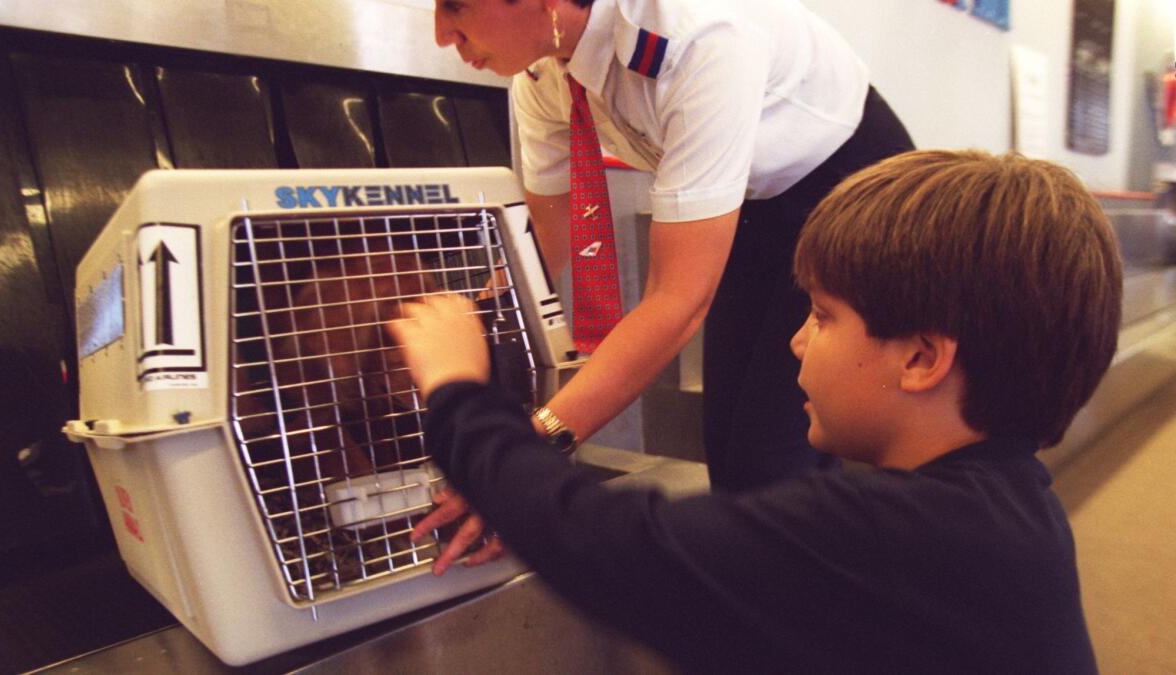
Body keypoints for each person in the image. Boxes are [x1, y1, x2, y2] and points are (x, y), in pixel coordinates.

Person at [388, 150, 1117, 672]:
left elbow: (614, 547)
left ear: (922, 359)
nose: (797, 338)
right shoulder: (1012, 501)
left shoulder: (893, 534)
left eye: (824, 316)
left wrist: (458, 391)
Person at [423, 0, 915, 570]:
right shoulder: (541, 70)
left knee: (770, 458)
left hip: (851, 191)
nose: (440, 34)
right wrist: (468, 320)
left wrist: (524, 455)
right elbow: (546, 244)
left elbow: (677, 301)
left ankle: (825, 626)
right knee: (731, 455)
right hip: (752, 207)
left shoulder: (697, 34)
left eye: (453, 4)